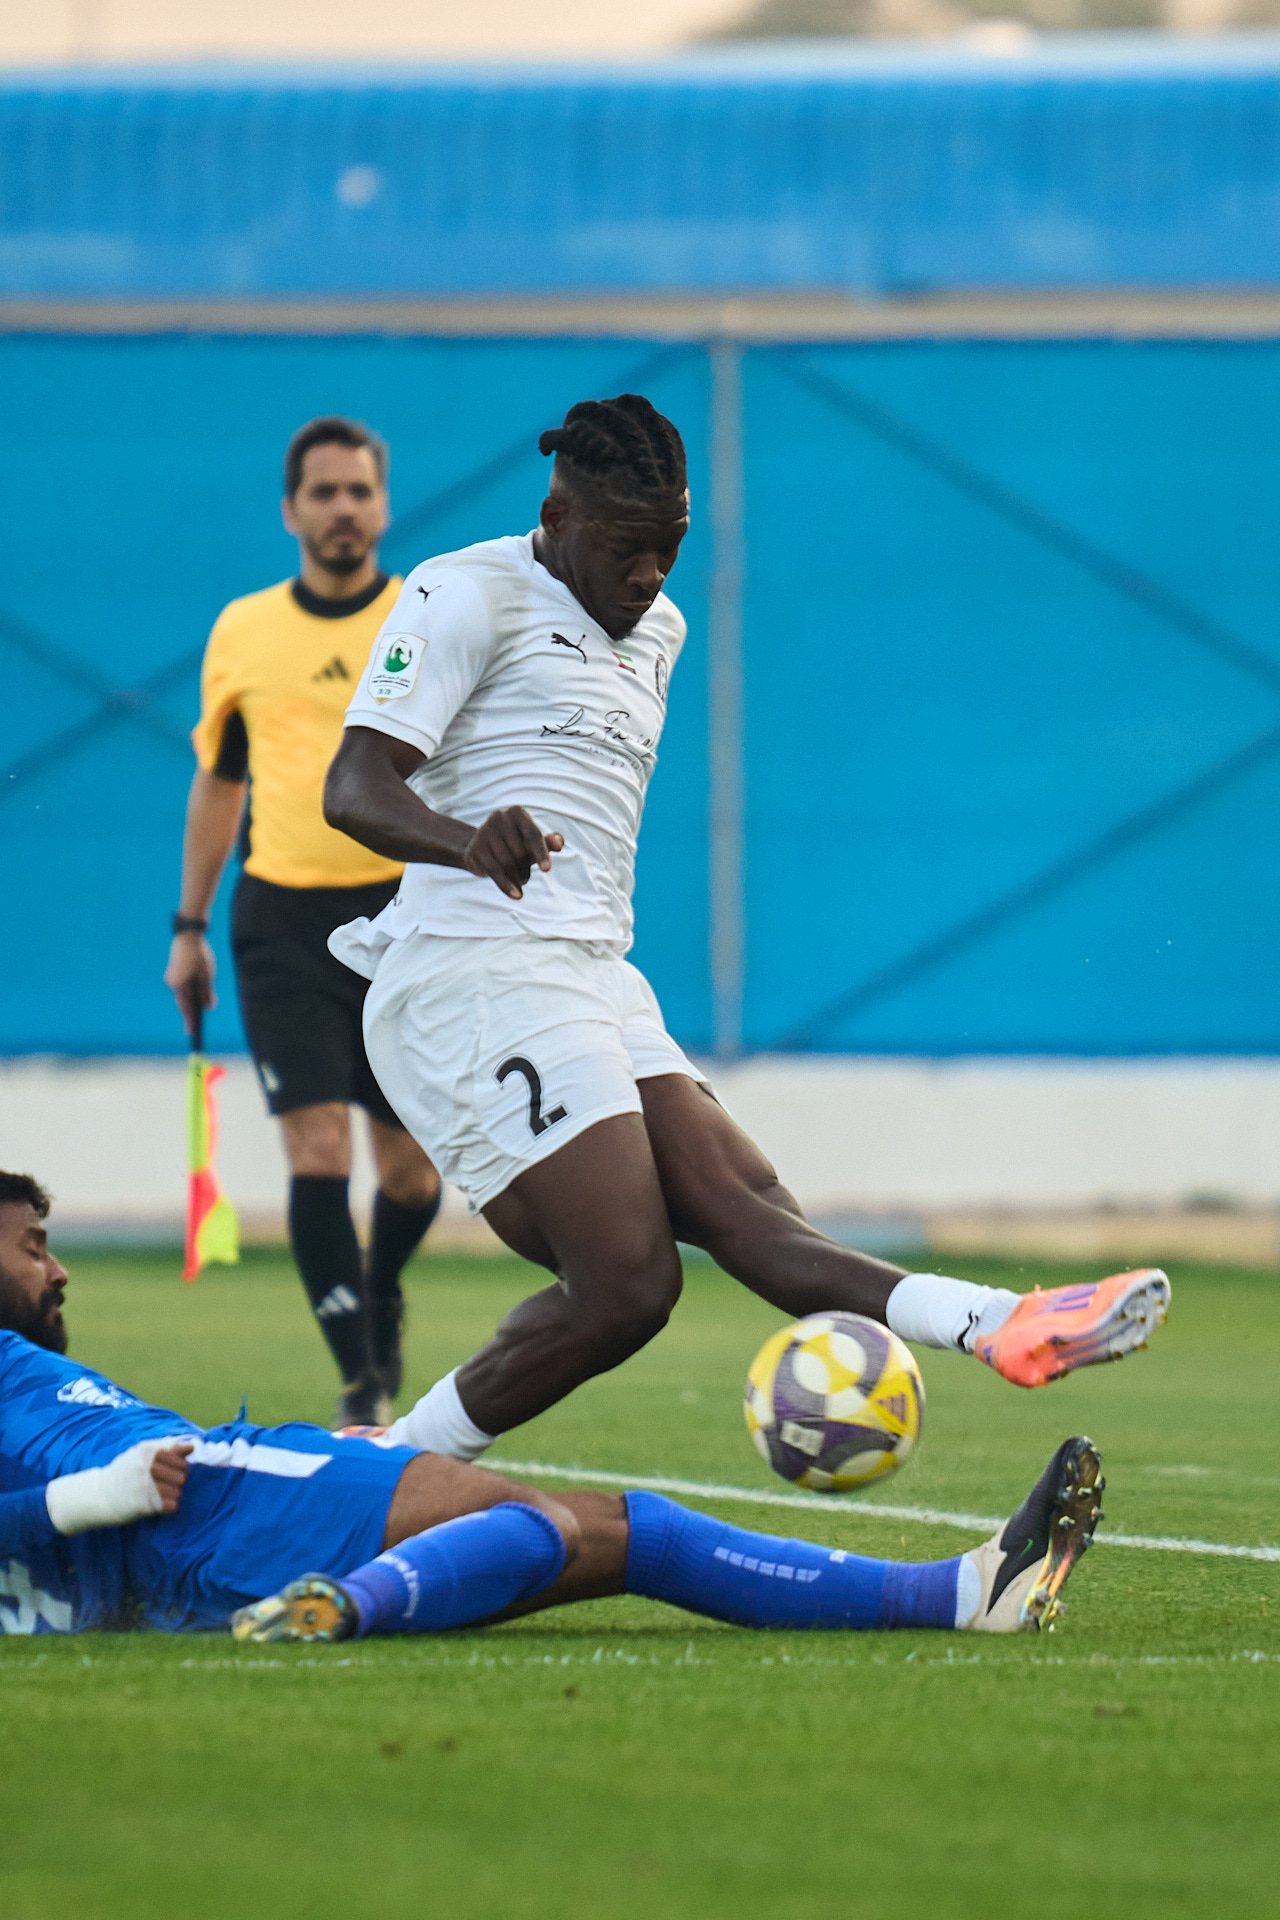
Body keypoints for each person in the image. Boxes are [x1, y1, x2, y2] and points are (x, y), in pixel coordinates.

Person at [321, 391, 1171, 1468]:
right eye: (627, 549)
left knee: (752, 1206)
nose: (649, 576)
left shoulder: (661, 630)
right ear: (558, 515)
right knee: (626, 1285)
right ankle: (390, 1469)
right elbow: (351, 787)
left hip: (591, 974)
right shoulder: (464, 592)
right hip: (470, 973)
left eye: (670, 547)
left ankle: (1002, 1322)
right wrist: (464, 838)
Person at [0, 1171, 1103, 1642]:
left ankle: (964, 1595)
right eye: (33, 1246)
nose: (57, 1270)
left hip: (209, 1515)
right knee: (531, 1523)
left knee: (634, 1534)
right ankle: (337, 1610)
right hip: (215, 1502)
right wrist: (93, 1497)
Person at [164, 415, 442, 1427]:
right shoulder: (243, 630)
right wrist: (187, 926)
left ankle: (380, 1284)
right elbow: (220, 780)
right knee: (317, 1151)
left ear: (384, 505)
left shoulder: (422, 617)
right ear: (291, 510)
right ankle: (362, 1383)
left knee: (412, 1172)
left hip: (407, 917)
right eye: (323, 493)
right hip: (280, 921)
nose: (342, 509)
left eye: (358, 491)